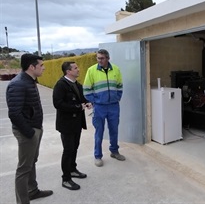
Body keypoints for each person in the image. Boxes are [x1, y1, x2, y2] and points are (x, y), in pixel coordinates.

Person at [6, 54, 53, 204]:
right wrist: (30, 133)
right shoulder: (18, 84)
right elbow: (14, 113)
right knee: (24, 168)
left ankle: (32, 191)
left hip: (35, 128)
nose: (44, 68)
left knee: (32, 161)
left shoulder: (30, 81)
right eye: (41, 65)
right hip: (27, 131)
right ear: (32, 67)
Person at [53, 61, 92, 190]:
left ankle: (72, 169)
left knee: (74, 147)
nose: (78, 69)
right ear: (68, 71)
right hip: (66, 124)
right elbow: (58, 104)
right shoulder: (61, 85)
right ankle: (66, 178)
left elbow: (81, 99)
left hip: (77, 123)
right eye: (75, 68)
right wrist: (77, 107)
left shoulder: (77, 85)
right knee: (68, 150)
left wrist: (87, 103)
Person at [83, 49, 125, 167]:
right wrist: (96, 101)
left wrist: (116, 98)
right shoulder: (91, 71)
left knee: (114, 130)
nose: (99, 60)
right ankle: (98, 156)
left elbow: (120, 86)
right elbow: (86, 89)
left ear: (108, 58)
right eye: (98, 58)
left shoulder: (116, 69)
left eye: (102, 58)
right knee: (99, 132)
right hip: (99, 107)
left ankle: (114, 151)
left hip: (113, 106)